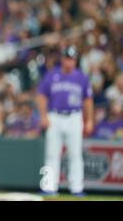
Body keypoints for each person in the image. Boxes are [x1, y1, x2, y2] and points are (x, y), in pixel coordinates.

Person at [37, 45, 94, 196]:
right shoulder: (52, 75)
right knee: (51, 154)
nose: (70, 62)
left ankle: (77, 188)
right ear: (62, 59)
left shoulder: (82, 77)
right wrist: (43, 116)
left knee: (75, 154)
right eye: (67, 58)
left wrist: (89, 120)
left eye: (73, 59)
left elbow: (88, 100)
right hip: (55, 116)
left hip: (74, 117)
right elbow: (41, 96)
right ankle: (49, 187)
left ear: (76, 61)